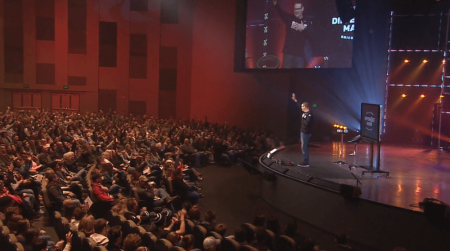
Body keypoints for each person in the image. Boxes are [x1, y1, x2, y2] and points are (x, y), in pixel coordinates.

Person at [273, 0, 311, 68]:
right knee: (287, 75)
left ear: (302, 9)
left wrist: (304, 29)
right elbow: (281, 13)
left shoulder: (307, 21)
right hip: (288, 54)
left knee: (299, 76)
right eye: (295, 9)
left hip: (300, 55)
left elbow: (312, 36)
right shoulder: (289, 18)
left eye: (298, 9)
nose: (296, 11)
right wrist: (276, 4)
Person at [292, 93, 313, 167]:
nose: (301, 107)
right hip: (303, 132)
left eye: (302, 106)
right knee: (303, 146)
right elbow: (299, 105)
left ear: (305, 107)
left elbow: (307, 123)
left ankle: (305, 162)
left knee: (304, 147)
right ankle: (305, 161)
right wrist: (295, 100)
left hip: (306, 132)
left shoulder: (309, 114)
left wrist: (304, 118)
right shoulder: (305, 113)